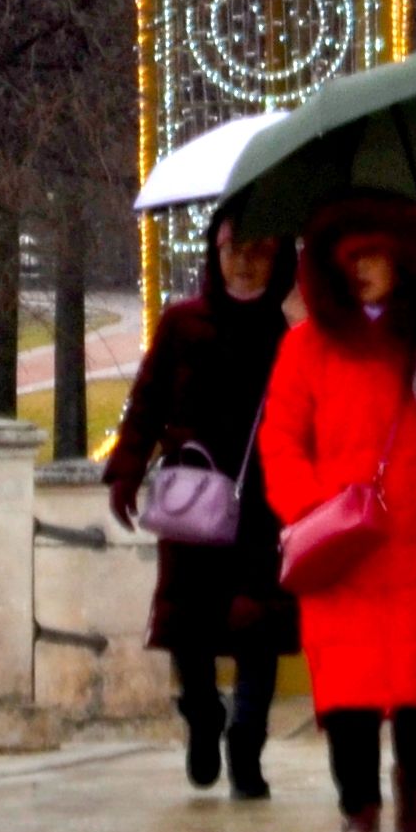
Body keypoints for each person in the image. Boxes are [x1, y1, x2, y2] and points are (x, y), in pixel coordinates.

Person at [258, 193, 416, 832]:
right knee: (347, 694)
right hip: (342, 547)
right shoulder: (306, 347)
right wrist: (308, 508)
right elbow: (280, 438)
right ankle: (357, 810)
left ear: (403, 259)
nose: (360, 269)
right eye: (349, 257)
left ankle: (413, 777)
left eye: (374, 255)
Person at [103, 214, 299, 800]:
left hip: (267, 502)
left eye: (260, 250)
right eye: (234, 248)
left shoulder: (291, 330)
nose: (244, 262)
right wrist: (128, 465)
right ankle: (203, 716)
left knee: (258, 626)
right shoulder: (182, 323)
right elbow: (147, 400)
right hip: (192, 500)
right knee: (189, 627)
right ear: (215, 252)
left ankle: (247, 742)